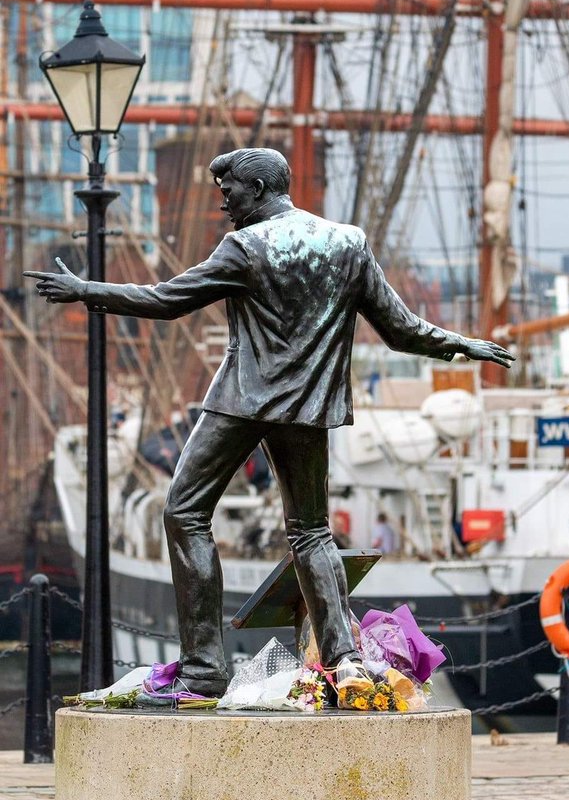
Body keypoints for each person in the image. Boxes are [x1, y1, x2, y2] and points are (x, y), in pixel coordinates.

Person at [26, 147, 514, 702]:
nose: (223, 203)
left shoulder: (244, 248)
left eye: (228, 190)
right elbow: (401, 330)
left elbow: (166, 301)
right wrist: (461, 345)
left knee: (184, 512)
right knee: (312, 530)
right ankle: (346, 660)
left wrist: (86, 290)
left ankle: (204, 668)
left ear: (257, 189)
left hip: (242, 401)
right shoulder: (348, 243)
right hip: (308, 407)